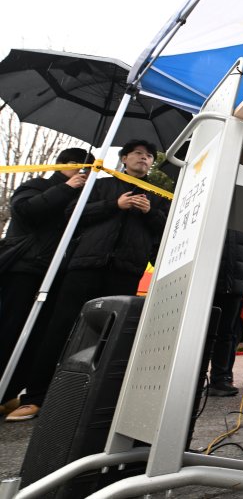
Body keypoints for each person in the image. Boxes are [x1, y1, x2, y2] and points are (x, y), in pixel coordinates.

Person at [6, 140, 169, 421]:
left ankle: (92, 397)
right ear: (124, 158)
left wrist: (149, 212)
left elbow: (165, 230)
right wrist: (114, 205)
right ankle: (35, 396)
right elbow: (73, 215)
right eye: (139, 154)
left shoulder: (157, 196)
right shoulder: (101, 185)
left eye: (149, 156)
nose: (144, 159)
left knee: (110, 337)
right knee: (59, 330)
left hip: (126, 271)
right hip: (84, 266)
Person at [0, 147, 95, 415]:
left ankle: (11, 391)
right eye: (79, 166)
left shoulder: (82, 198)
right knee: (10, 327)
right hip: (26, 268)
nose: (83, 173)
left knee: (39, 335)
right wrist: (66, 187)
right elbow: (25, 212)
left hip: (57, 273)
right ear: (63, 165)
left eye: (88, 170)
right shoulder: (38, 185)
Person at [207, 229, 243, 396]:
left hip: (235, 287)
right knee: (203, 335)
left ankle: (219, 380)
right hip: (208, 284)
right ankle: (196, 379)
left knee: (226, 334)